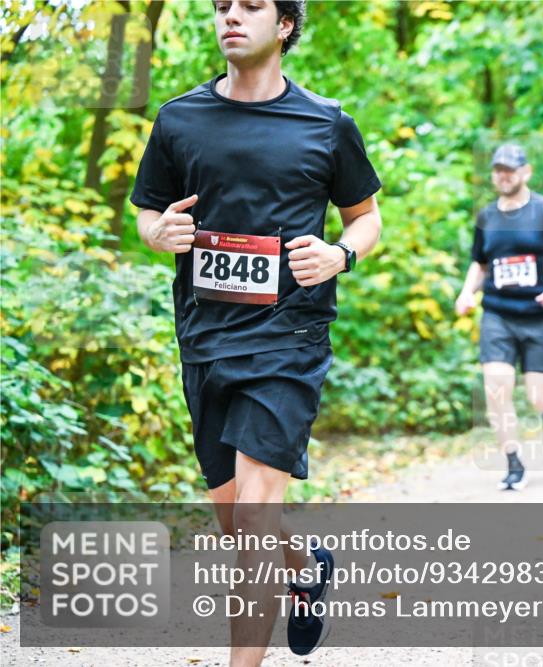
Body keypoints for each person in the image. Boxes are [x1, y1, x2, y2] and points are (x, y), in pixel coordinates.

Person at [129, 1, 382, 662]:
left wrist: (339, 255)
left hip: (288, 341)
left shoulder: (327, 124)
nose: (230, 16)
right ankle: (305, 565)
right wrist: (159, 233)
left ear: (286, 24)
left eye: (250, 6)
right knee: (232, 518)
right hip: (206, 339)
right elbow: (147, 214)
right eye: (220, 7)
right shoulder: (179, 119)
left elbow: (366, 220)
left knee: (252, 520)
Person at [454, 144, 543, 491]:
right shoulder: (487, 217)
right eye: (498, 169)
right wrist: (468, 291)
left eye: (511, 169)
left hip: (541, 314)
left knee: (538, 394)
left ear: (526, 172)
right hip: (498, 314)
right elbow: (480, 263)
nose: (504, 175)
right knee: (496, 387)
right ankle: (513, 462)